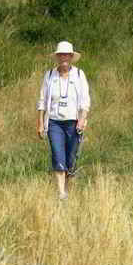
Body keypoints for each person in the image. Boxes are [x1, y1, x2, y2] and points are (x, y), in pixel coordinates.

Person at [36, 41, 90, 199]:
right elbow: (42, 100)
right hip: (54, 123)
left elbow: (85, 100)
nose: (64, 58)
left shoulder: (79, 75)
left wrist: (82, 119)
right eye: (61, 55)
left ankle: (68, 186)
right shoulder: (50, 75)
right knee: (58, 155)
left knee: (71, 158)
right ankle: (61, 193)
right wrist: (40, 123)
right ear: (57, 57)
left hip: (73, 122)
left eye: (67, 55)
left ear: (71, 57)